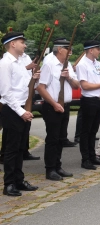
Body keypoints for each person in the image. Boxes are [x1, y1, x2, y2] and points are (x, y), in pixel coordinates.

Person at [0, 32, 39, 196]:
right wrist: (22, 112)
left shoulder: (21, 62)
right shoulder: (5, 64)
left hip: (23, 107)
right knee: (11, 148)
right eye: (22, 42)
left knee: (20, 147)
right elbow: (6, 93)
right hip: (12, 109)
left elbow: (26, 87)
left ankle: (18, 179)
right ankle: (9, 183)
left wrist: (34, 78)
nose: (25, 45)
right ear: (12, 44)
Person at [36, 38, 79, 181]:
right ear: (60, 49)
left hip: (65, 106)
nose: (70, 52)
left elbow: (76, 85)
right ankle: (50, 169)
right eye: (68, 48)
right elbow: (40, 87)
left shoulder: (68, 65)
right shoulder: (49, 65)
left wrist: (68, 78)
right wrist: (54, 104)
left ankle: (58, 165)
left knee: (61, 139)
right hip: (52, 106)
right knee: (52, 139)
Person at [76, 40, 100, 170]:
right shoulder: (82, 65)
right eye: (97, 49)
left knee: (93, 131)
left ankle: (92, 156)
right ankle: (85, 159)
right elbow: (84, 85)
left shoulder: (97, 63)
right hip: (89, 100)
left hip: (98, 100)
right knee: (86, 131)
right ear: (91, 50)